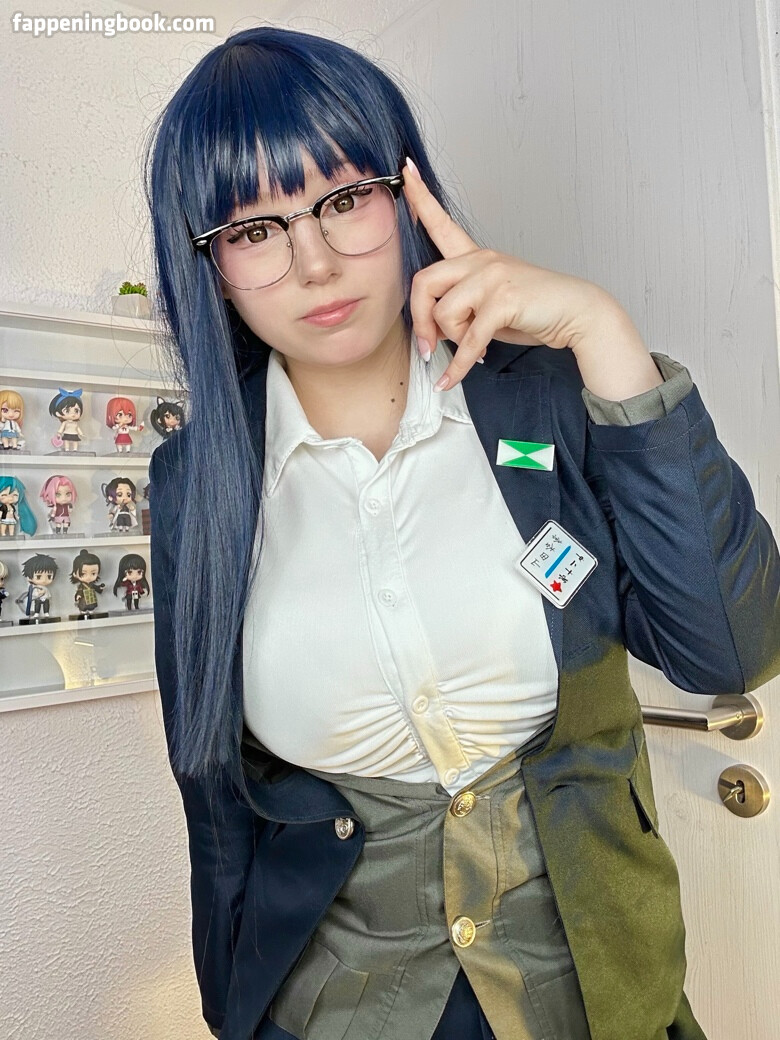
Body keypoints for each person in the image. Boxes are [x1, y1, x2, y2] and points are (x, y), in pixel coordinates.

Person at [143, 25, 780, 1040]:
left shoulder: (547, 406)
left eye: (343, 200)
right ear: (209, 264)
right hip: (335, 1008)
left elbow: (731, 649)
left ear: (406, 196)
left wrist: (601, 329)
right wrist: (234, 1008)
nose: (315, 263)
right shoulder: (194, 485)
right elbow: (212, 790)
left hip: (596, 991)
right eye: (255, 229)